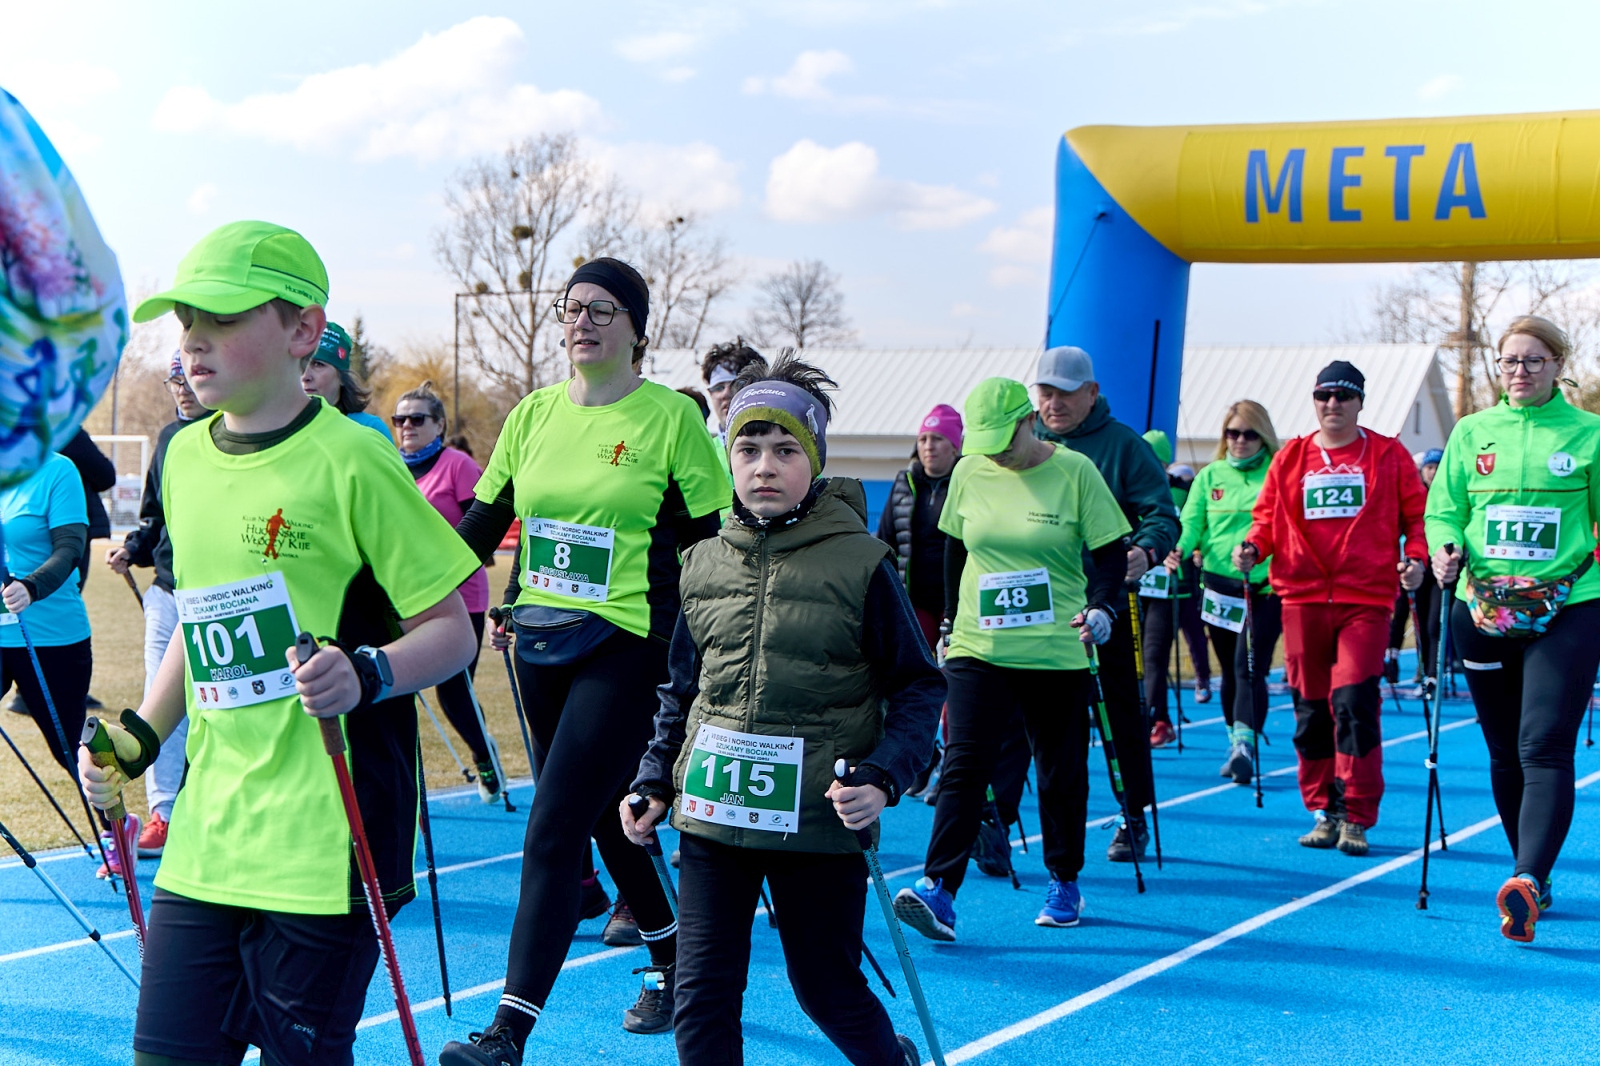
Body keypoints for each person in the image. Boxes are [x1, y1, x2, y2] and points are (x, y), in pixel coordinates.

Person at [77, 219, 482, 1066]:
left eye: (223, 319)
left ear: (301, 330)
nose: (194, 341)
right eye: (187, 320)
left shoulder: (356, 460)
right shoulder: (184, 459)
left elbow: (451, 635)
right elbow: (204, 619)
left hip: (328, 840)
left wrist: (368, 672)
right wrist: (142, 732)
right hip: (208, 834)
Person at [441, 257, 729, 1064]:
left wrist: (707, 644)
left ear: (638, 329)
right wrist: (395, 586)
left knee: (554, 822)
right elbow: (479, 525)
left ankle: (508, 1032)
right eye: (572, 307)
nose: (583, 320)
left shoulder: (669, 419)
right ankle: (678, 963)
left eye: (604, 309)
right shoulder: (532, 415)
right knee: (602, 817)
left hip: (631, 642)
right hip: (539, 640)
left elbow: (713, 546)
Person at [623, 354, 944, 1066]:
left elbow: (921, 686)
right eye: (748, 448)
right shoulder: (703, 561)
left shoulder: (862, 562)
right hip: (713, 817)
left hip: (816, 820)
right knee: (701, 995)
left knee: (825, 988)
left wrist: (885, 775)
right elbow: (683, 689)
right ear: (728, 458)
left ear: (815, 460)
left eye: (784, 449)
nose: (764, 465)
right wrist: (653, 780)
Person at [894, 377, 1129, 940]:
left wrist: (1102, 610)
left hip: (1055, 648)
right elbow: (955, 548)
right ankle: (940, 890)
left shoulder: (1075, 473)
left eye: (1006, 439)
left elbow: (1111, 557)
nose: (997, 452)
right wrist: (950, 621)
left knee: (1059, 770)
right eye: (988, 443)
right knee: (965, 764)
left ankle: (1064, 879)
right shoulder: (970, 471)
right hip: (980, 644)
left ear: (1031, 422)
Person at [1426, 315, 1600, 943]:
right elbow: (1444, 508)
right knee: (1504, 751)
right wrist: (1445, 548)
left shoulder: (1590, 435)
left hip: (1569, 607)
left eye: (1532, 361)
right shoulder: (1474, 432)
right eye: (1508, 362)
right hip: (1482, 609)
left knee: (1543, 746)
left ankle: (1527, 875)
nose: (1519, 372)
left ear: (1558, 365)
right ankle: (1533, 878)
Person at [1236, 360, 1426, 856]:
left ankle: (1357, 813)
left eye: (1343, 396)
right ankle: (1323, 809)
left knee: (1354, 702)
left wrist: (1417, 559)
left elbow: (1417, 518)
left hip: (1365, 599)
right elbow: (1266, 521)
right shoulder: (1291, 458)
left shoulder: (1387, 455)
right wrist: (1253, 548)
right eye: (1323, 396)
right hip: (1300, 599)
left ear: (1360, 402)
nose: (1333, 405)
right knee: (1311, 711)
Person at [1031, 345, 1179, 863]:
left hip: (1106, 607)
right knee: (1038, 725)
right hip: (1037, 608)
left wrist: (1145, 549)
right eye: (1045, 393)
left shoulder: (1123, 447)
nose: (1054, 404)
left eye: (1066, 394)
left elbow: (1162, 514)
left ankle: (1133, 814)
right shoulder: (1024, 442)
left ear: (1091, 394)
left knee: (1120, 716)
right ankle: (999, 819)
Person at [104, 351, 212, 858]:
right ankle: (164, 814)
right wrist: (133, 548)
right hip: (167, 591)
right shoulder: (169, 440)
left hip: (218, 592)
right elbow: (154, 515)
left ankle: (209, 807)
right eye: (175, 378)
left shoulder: (230, 428)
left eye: (188, 376)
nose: (183, 386)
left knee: (216, 702)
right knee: (158, 699)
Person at [392, 380, 502, 801]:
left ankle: (484, 753)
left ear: (438, 425)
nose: (406, 426)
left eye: (417, 419)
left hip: (460, 596)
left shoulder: (457, 465)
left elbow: (484, 530)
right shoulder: (391, 467)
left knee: (454, 694)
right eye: (399, 419)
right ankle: (404, 793)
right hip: (404, 597)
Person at [1166, 401, 1282, 785]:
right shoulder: (1210, 475)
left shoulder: (1276, 474)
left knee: (1249, 668)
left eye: (1249, 434)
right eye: (1233, 433)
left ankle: (1246, 743)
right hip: (1218, 588)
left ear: (1263, 436)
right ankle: (1236, 743)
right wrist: (1180, 548)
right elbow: (1192, 521)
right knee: (1228, 672)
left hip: (1262, 588)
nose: (1241, 441)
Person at [0, 450, 94, 785]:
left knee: (69, 746)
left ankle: (115, 827)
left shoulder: (57, 469)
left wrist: (31, 587)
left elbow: (70, 548)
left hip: (51, 636)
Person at [1138, 428, 1210, 746]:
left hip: (1172, 587)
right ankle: (1141, 714)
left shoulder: (1183, 489)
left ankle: (1159, 719)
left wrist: (1189, 551)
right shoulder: (1129, 488)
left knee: (1157, 652)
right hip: (1136, 585)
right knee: (1135, 655)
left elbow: (1196, 523)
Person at [1386, 448, 1443, 690]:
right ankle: (1395, 660)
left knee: (1432, 623)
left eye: (1437, 467)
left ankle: (1432, 673)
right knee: (1406, 616)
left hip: (1439, 569)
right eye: (1429, 467)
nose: (1432, 472)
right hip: (1412, 565)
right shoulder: (1412, 494)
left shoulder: (1447, 493)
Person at [300, 320, 392, 440]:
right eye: (300, 364)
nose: (305, 376)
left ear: (342, 377)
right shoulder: (278, 428)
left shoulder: (369, 429)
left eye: (318, 365)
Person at [700, 338, 765, 482]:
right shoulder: (698, 457)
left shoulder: (789, 450)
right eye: (718, 387)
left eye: (736, 384)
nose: (725, 394)